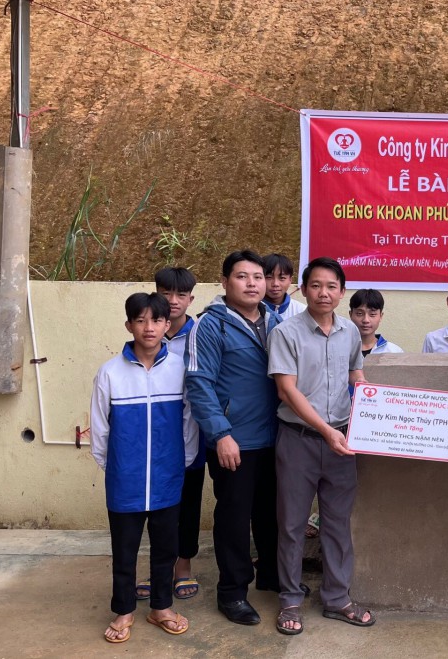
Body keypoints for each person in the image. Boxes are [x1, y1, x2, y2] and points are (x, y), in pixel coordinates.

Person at [269, 257, 375, 634]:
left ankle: (337, 598)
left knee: (337, 523)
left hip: (342, 441)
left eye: (331, 286)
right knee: (293, 524)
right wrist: (326, 431)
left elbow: (355, 373)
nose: (323, 293)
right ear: (304, 289)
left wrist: (375, 399)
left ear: (342, 292)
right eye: (316, 285)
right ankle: (290, 600)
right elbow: (287, 390)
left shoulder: (349, 332)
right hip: (298, 440)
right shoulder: (285, 333)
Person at [91, 292, 197, 642]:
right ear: (129, 325)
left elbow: (189, 420)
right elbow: (100, 427)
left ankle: (161, 607)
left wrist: (182, 462)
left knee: (166, 547)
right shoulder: (110, 372)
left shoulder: (179, 369)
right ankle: (123, 610)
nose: (148, 328)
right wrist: (114, 467)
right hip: (125, 478)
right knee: (124, 549)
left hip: (168, 475)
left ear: (167, 325)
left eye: (156, 320)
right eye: (140, 320)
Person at [185, 250, 281, 626]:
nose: (252, 284)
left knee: (272, 513)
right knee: (234, 518)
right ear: (225, 282)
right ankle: (232, 592)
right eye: (242, 277)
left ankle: (271, 575)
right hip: (235, 441)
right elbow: (199, 383)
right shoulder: (210, 325)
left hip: (275, 436)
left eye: (258, 277)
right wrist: (221, 434)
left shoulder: (275, 321)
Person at [149, 267, 203, 603]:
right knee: (155, 504)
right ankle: (159, 567)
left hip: (192, 430)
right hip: (154, 433)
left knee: (188, 501)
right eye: (166, 293)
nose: (172, 300)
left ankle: (183, 564)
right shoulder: (148, 330)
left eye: (181, 294)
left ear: (190, 299)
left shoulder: (200, 333)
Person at [348, 288, 403, 356]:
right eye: (359, 313)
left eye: (372, 314)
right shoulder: (339, 347)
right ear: (350, 314)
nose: (366, 320)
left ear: (381, 316)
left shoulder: (394, 352)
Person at [263, 253, 306, 321]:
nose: (275, 284)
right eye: (269, 277)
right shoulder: (251, 310)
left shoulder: (302, 312)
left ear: (290, 280)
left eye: (282, 278)